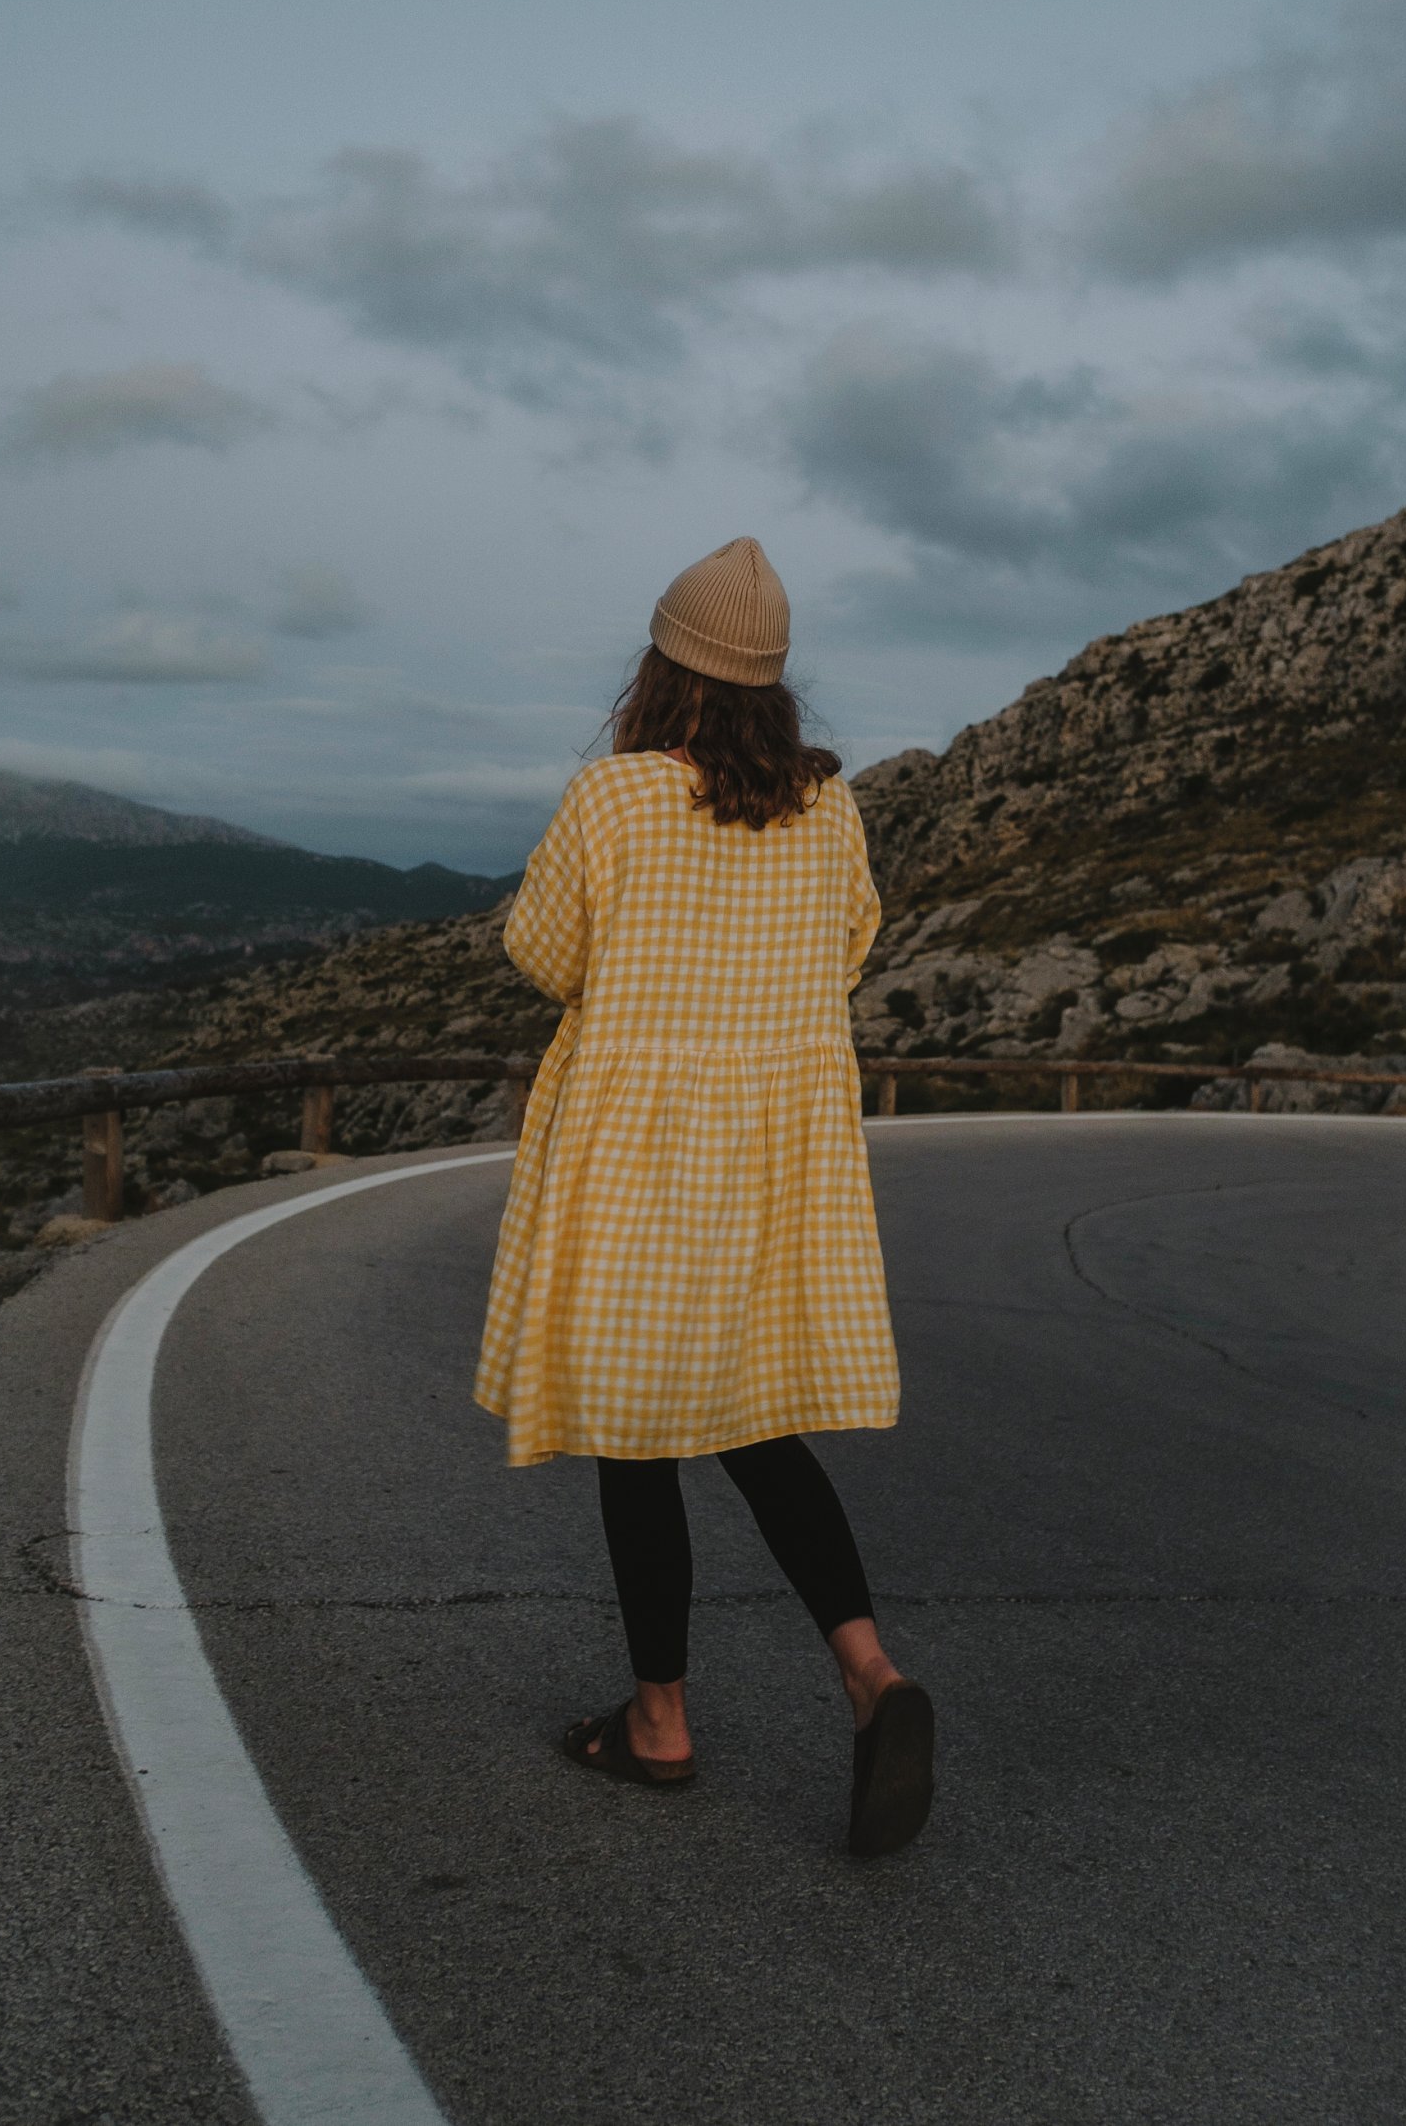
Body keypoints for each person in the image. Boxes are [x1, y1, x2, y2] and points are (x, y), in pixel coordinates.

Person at [474, 535, 933, 1858]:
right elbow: (850, 946)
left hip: (637, 1156)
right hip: (772, 1163)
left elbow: (541, 950)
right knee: (757, 1422)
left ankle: (660, 1720)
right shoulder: (831, 808)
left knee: (639, 1436)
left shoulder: (614, 799)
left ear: (662, 671)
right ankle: (868, 1673)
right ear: (776, 689)